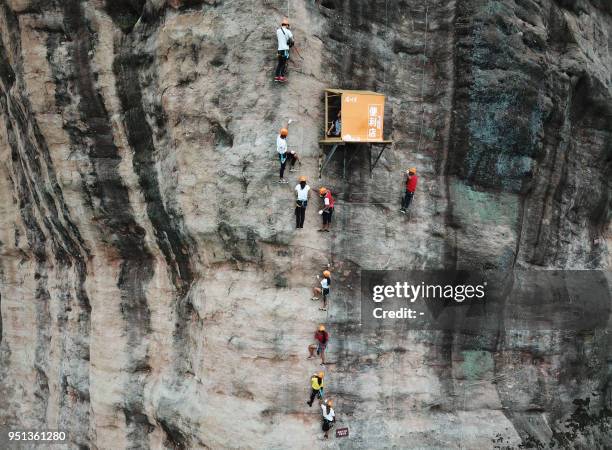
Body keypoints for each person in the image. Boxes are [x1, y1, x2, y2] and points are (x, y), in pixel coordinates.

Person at [274, 18, 293, 82]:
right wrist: (290, 44)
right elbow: (292, 40)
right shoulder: (288, 31)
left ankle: (276, 77)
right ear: (287, 25)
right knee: (284, 63)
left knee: (279, 63)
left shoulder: (278, 31)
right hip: (285, 50)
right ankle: (281, 77)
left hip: (279, 50)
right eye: (288, 25)